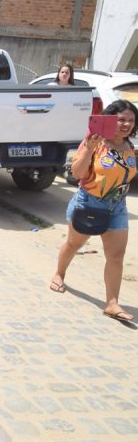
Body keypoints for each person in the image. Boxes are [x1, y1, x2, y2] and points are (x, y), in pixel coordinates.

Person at [51, 99, 137, 322]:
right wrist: (89, 149)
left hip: (117, 206)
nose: (126, 124)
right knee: (74, 244)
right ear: (109, 120)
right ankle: (59, 274)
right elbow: (78, 174)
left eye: (130, 120)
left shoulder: (131, 148)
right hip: (88, 202)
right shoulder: (95, 143)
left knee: (116, 255)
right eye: (121, 120)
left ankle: (112, 303)